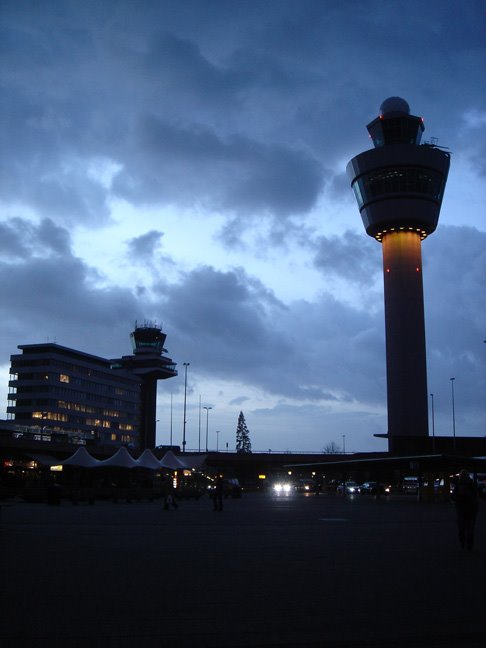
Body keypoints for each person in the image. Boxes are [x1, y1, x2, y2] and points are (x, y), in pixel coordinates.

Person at [451, 470, 478, 552]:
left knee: (462, 527)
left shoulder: (461, 484)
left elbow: (454, 495)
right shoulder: (471, 484)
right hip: (469, 509)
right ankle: (468, 544)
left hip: (464, 509)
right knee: (469, 528)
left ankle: (464, 542)